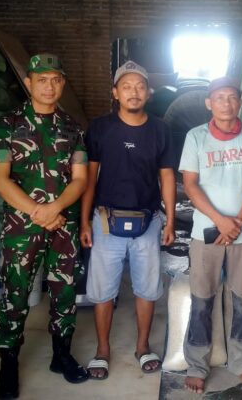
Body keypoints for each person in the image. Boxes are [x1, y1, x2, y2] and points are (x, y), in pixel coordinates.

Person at [0, 53, 90, 399]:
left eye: (56, 80)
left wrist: (55, 209)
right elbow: (0, 179)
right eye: (42, 80)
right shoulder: (7, 125)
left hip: (63, 224)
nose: (49, 86)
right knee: (15, 291)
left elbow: (80, 178)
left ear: (63, 83)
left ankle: (61, 355)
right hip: (22, 226)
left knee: (65, 290)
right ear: (29, 83)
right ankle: (8, 364)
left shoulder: (72, 128)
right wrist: (38, 211)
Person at [79, 60, 176, 380]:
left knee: (146, 288)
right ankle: (102, 350)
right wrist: (84, 221)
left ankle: (143, 346)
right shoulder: (100, 128)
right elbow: (89, 179)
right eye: (126, 86)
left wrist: (170, 220)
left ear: (149, 92)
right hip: (105, 221)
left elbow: (167, 177)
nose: (134, 92)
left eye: (140, 86)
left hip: (148, 221)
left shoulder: (160, 129)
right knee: (102, 291)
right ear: (115, 93)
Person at [179, 76, 242, 394]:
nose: (226, 103)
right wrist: (221, 221)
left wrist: (238, 222)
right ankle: (197, 365)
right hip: (205, 233)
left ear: (240, 101)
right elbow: (190, 184)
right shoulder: (196, 137)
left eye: (232, 97)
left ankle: (241, 362)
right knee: (201, 300)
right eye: (219, 97)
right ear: (209, 103)